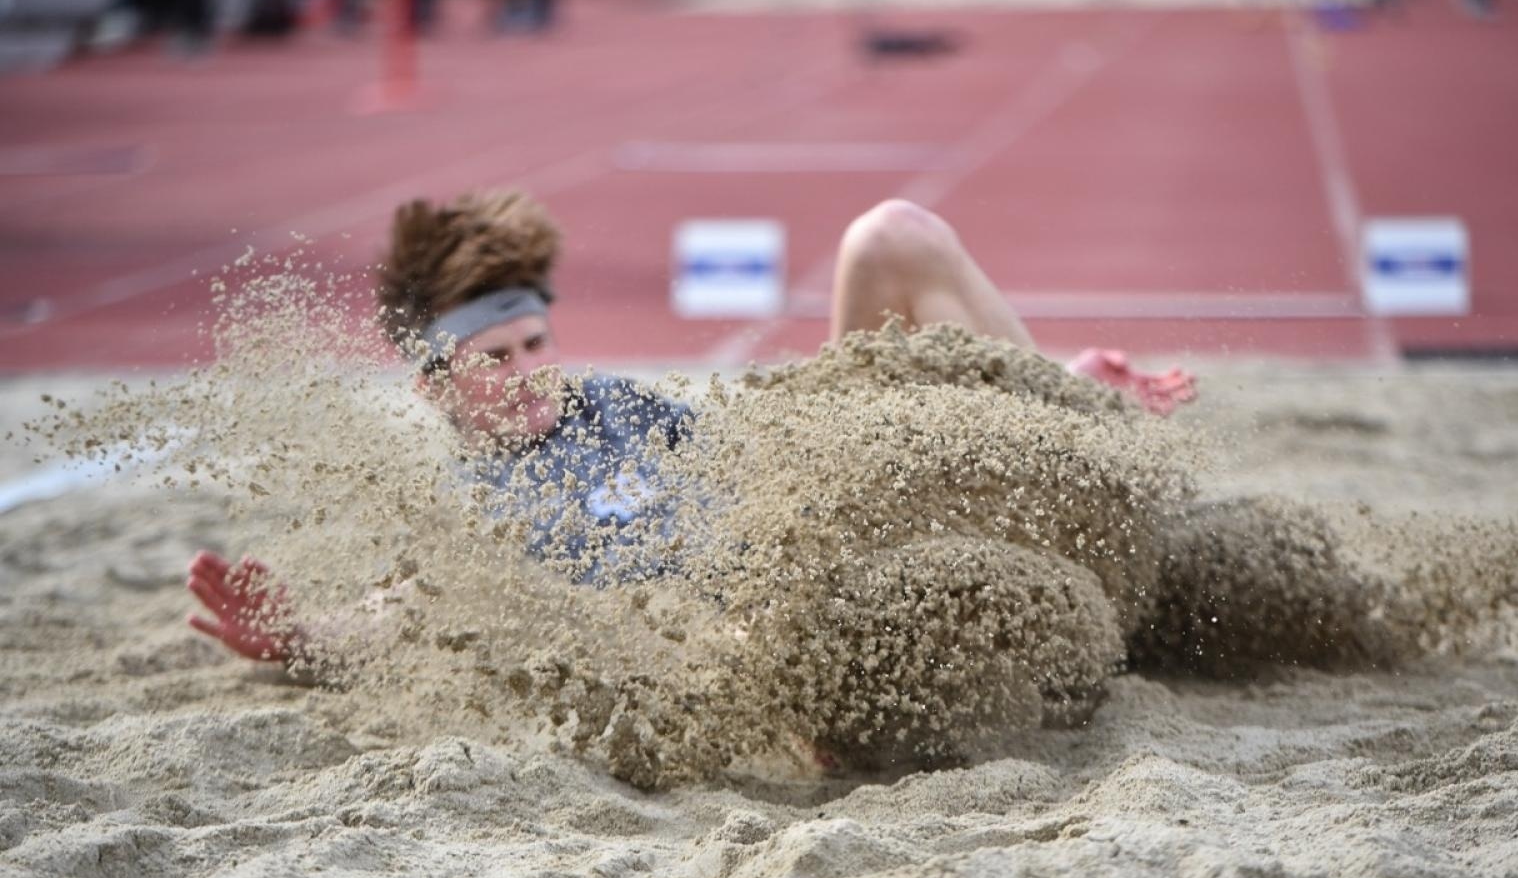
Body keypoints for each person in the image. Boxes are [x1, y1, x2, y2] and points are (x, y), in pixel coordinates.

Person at [187, 193, 1194, 663]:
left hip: (828, 507)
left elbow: (785, 440)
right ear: (432, 386)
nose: (532, 375)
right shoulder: (461, 514)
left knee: (892, 236)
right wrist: (295, 639)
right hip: (780, 626)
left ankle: (1079, 413)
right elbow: (398, 615)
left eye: (538, 344)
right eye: (497, 361)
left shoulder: (613, 406)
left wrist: (1024, 378)